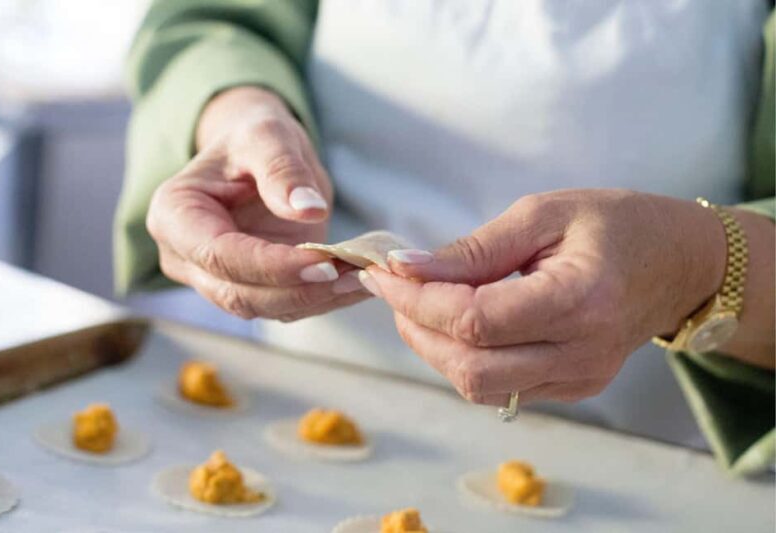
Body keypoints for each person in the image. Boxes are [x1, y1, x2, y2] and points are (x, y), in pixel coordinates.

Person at [116, 1, 774, 475]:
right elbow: (209, 19)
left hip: (667, 467)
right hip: (309, 423)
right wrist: (237, 112)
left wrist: (698, 265)